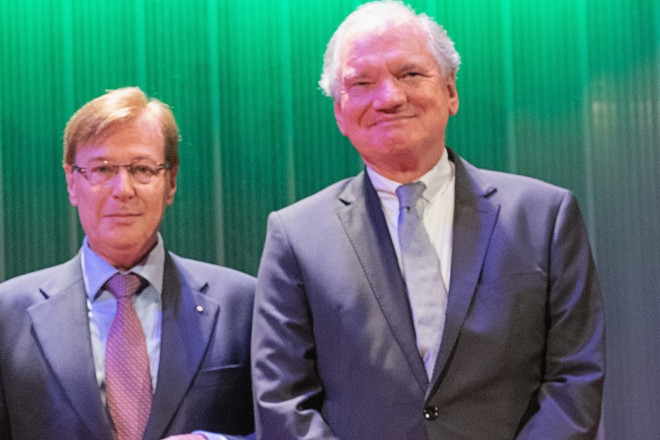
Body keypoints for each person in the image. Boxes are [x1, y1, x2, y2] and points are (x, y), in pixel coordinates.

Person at [251, 1, 605, 439]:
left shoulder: (544, 217)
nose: (389, 97)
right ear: (340, 113)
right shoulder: (295, 237)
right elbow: (282, 401)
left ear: (451, 91)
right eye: (361, 82)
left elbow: (575, 378)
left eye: (410, 74)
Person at [0, 87, 254, 440]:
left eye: (142, 168)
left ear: (171, 182)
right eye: (102, 169)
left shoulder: (244, 305)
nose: (123, 189)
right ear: (72, 182)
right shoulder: (7, 315)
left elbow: (288, 426)